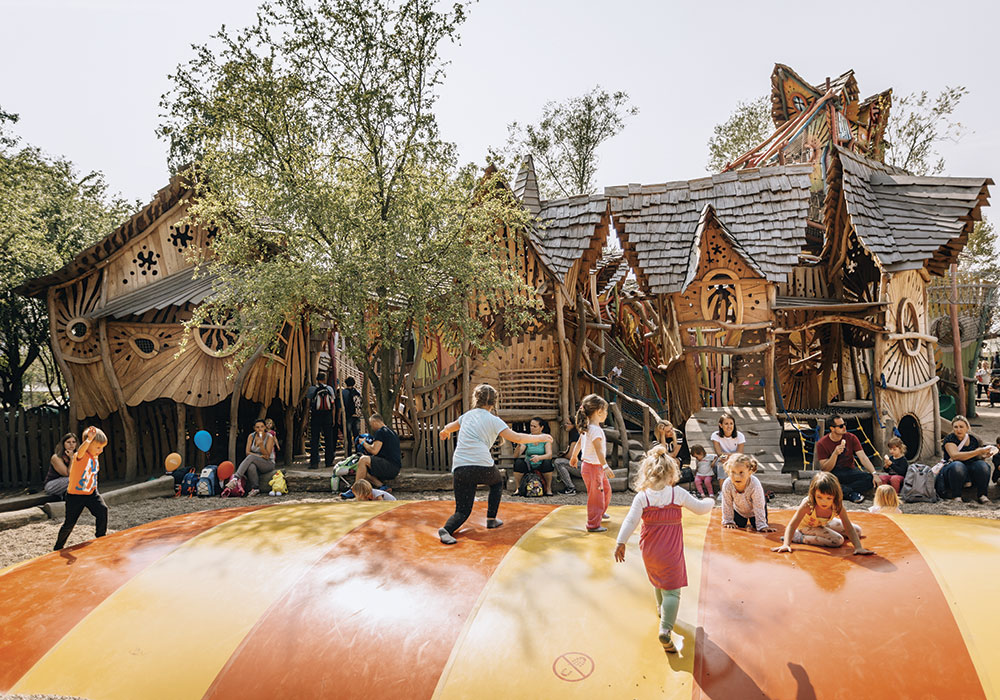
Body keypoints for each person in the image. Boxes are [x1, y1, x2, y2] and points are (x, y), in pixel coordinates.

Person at [614, 446, 714, 653]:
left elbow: (631, 521)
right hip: (670, 551)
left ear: (646, 474)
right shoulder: (677, 494)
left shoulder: (642, 497)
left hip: (649, 550)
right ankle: (666, 629)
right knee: (672, 591)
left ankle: (661, 610)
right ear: (671, 474)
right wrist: (710, 501)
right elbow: (700, 509)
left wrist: (620, 542)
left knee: (658, 579)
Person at [436, 384, 551, 545]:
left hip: (460, 467)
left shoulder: (467, 416)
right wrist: (540, 437)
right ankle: (491, 519)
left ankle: (446, 529)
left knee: (462, 510)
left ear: (476, 399)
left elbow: (449, 427)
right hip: (482, 465)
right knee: (496, 483)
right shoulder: (494, 420)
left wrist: (444, 432)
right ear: (494, 402)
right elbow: (517, 438)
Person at [773, 472, 872, 554]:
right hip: (807, 527)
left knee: (857, 531)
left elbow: (848, 527)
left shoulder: (837, 505)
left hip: (824, 523)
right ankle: (799, 537)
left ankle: (825, 531)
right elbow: (792, 525)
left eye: (828, 498)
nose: (823, 502)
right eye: (819, 497)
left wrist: (858, 547)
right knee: (837, 540)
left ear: (835, 497)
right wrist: (786, 544)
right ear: (813, 494)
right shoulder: (808, 504)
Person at [53, 426, 109, 551]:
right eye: (98, 447)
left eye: (102, 448)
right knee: (69, 523)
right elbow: (81, 450)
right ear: (87, 445)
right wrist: (89, 440)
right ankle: (58, 547)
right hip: (75, 496)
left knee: (102, 510)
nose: (100, 451)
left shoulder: (95, 457)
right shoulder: (80, 456)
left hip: (91, 493)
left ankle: (101, 537)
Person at [570, 394, 617, 532]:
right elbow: (598, 450)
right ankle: (593, 524)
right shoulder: (594, 430)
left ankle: (600, 513)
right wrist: (606, 466)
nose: (606, 414)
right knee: (596, 497)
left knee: (606, 491)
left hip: (595, 467)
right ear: (599, 411)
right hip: (593, 468)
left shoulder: (588, 427)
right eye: (605, 411)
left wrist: (574, 456)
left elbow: (579, 443)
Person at [813, 414, 879, 503]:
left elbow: (863, 457)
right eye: (840, 426)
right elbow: (825, 469)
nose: (844, 427)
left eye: (844, 424)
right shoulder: (822, 443)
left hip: (849, 471)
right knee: (823, 482)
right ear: (832, 429)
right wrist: (835, 454)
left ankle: (844, 491)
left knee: (869, 479)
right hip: (833, 473)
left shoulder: (851, 437)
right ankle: (851, 493)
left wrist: (874, 473)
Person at [937, 415, 993, 504]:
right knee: (958, 466)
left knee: (983, 466)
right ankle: (956, 496)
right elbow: (955, 456)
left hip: (970, 468)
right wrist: (976, 452)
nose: (958, 430)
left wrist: (983, 456)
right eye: (956, 427)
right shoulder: (950, 439)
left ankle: (982, 495)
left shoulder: (974, 439)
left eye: (961, 427)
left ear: (967, 428)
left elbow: (977, 457)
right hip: (952, 469)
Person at [342, 414, 400, 498]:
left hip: (390, 466)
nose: (371, 427)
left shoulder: (380, 432)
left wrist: (363, 443)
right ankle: (382, 486)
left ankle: (355, 490)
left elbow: (374, 450)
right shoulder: (391, 432)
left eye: (371, 424)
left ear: (375, 422)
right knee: (362, 469)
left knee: (363, 460)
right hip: (395, 467)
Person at [720, 454, 774, 532]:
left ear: (749, 472)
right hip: (739, 510)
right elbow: (727, 503)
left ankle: (765, 500)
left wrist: (762, 525)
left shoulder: (754, 484)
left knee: (757, 526)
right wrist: (728, 521)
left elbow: (759, 505)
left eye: (741, 472)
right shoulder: (727, 484)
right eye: (733, 472)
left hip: (754, 510)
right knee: (739, 525)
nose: (737, 476)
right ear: (728, 472)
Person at [232, 419, 276, 497]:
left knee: (251, 457)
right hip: (256, 461)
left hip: (268, 463)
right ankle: (255, 488)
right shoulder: (251, 436)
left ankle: (236, 478)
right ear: (254, 428)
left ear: (265, 427)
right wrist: (258, 456)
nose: (260, 429)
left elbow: (267, 456)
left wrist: (261, 445)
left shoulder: (269, 437)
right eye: (257, 427)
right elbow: (247, 452)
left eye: (262, 427)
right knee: (251, 465)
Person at [513, 417, 555, 496]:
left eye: (534, 426)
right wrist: (518, 446)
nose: (532, 428)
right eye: (531, 426)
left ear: (541, 428)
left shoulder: (545, 438)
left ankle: (548, 488)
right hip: (529, 464)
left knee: (547, 463)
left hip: (541, 463)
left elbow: (549, 455)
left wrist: (539, 458)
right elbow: (516, 455)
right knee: (518, 463)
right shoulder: (527, 438)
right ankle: (518, 488)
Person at [306, 373, 337, 470]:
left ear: (316, 379)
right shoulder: (330, 389)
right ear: (325, 379)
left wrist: (307, 417)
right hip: (327, 416)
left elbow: (308, 404)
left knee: (314, 439)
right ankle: (329, 461)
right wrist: (333, 418)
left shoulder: (312, 389)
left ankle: (314, 463)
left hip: (316, 416)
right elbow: (333, 405)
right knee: (329, 439)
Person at [710, 413, 745, 480]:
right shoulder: (715, 435)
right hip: (722, 459)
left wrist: (729, 457)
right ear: (721, 425)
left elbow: (740, 453)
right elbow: (719, 453)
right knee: (721, 465)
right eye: (726, 424)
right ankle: (722, 486)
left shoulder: (740, 436)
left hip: (735, 459)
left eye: (731, 423)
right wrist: (727, 456)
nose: (729, 426)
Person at [44, 432, 77, 498]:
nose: (71, 444)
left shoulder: (77, 455)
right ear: (63, 444)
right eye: (68, 442)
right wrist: (72, 458)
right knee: (73, 479)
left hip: (68, 484)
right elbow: (68, 474)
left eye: (74, 442)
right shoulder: (56, 457)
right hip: (52, 485)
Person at [550, 421, 579, 495]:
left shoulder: (575, 436)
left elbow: (570, 456)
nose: (565, 425)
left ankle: (571, 488)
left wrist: (562, 456)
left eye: (568, 423)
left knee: (558, 462)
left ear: (573, 425)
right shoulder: (573, 434)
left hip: (580, 465)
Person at [341, 377, 362, 449]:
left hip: (348, 416)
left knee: (348, 435)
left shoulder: (344, 392)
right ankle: (358, 450)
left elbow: (341, 405)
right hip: (357, 415)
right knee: (356, 434)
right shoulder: (357, 392)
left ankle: (349, 451)